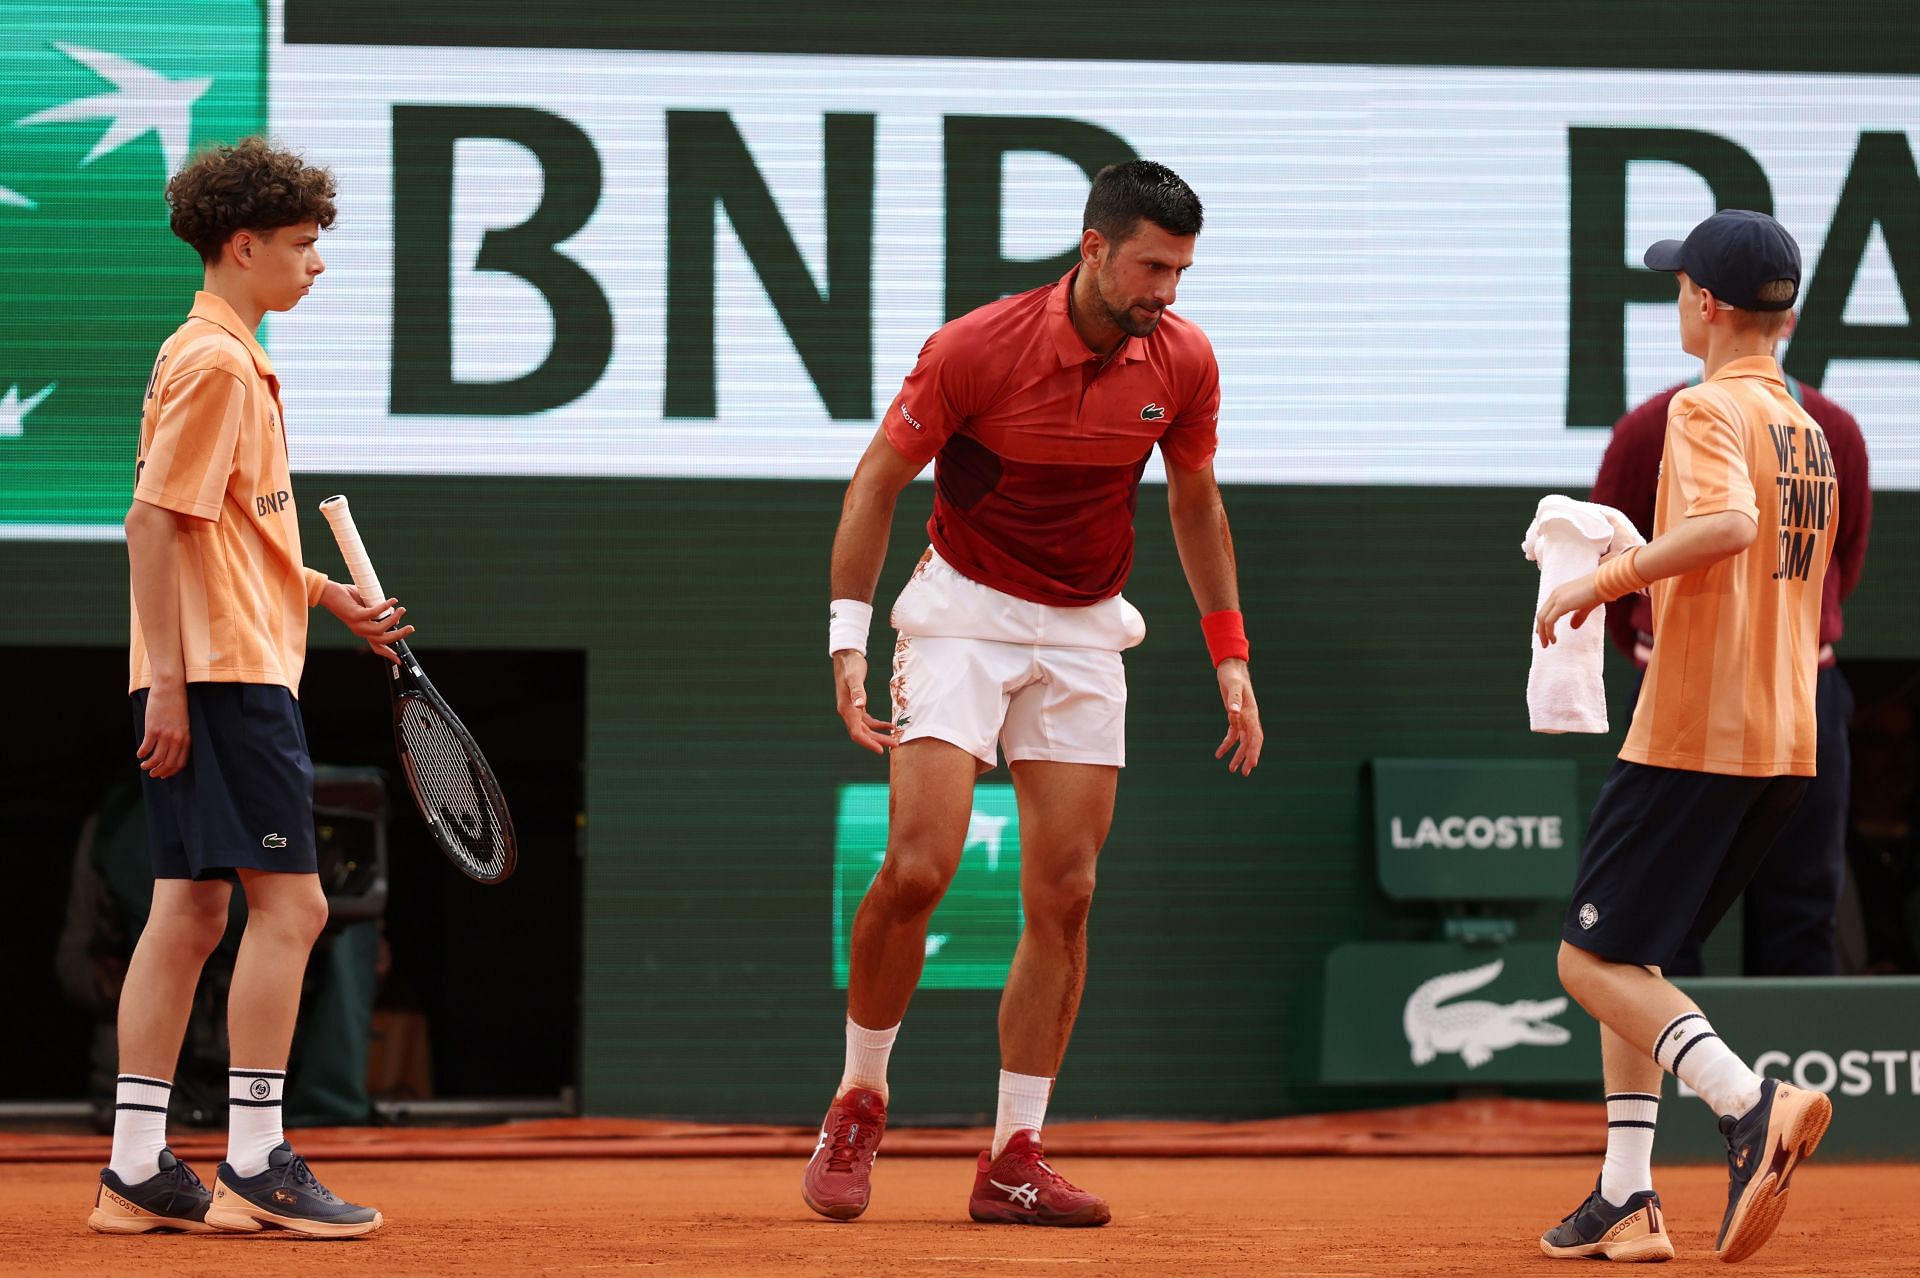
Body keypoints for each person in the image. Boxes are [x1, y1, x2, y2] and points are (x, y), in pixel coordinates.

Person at [806, 160, 1261, 1228]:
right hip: (961, 613)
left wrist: (1229, 653)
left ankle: (1014, 1152)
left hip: (1086, 629)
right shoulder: (974, 348)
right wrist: (847, 641)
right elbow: (876, 482)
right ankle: (857, 1099)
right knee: (918, 868)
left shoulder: (1183, 359)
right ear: (1094, 246)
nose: (1170, 292)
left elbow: (1196, 502)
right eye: (1154, 265)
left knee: (1066, 895)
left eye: (1183, 270)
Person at [90, 138, 406, 1239]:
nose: (315, 264)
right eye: (304, 246)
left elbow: (225, 531)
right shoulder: (218, 362)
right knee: (296, 906)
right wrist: (172, 689)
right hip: (219, 676)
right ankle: (258, 1158)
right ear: (243, 245)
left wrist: (324, 595)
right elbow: (149, 525)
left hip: (222, 661)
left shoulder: (223, 355)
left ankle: (135, 1168)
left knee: (188, 910)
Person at [1536, 210, 1837, 1264]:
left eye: (1679, 288)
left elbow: (1727, 530)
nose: (1677, 301)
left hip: (1694, 733)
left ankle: (1748, 1104)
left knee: (1585, 961)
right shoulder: (1804, 426)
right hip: (1784, 740)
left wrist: (1599, 583)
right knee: (1635, 956)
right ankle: (1627, 1194)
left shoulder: (1705, 410)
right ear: (1787, 314)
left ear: (1706, 305)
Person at [1591, 317, 1871, 977]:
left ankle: (1788, 1080)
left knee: (1802, 904)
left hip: (1795, 687)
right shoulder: (1649, 428)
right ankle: (1696, 1081)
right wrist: (1651, 640)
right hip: (1692, 684)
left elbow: (1838, 560)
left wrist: (1785, 626)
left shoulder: (1830, 428)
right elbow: (1612, 533)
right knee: (1662, 916)